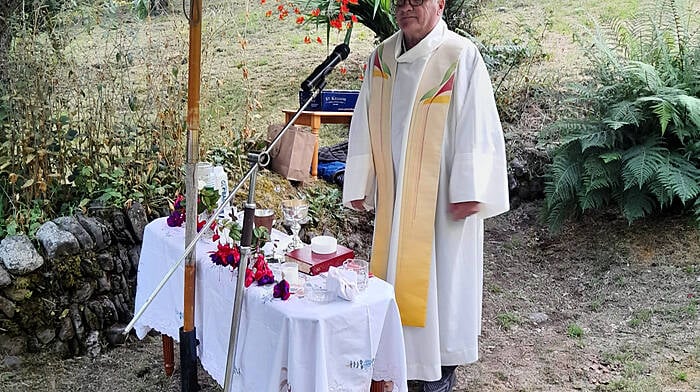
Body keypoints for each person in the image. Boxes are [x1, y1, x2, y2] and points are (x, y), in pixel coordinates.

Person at [341, 0, 510, 390]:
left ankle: (437, 379)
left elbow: (478, 125)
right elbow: (364, 120)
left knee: (440, 298)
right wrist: (362, 180)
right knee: (392, 290)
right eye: (398, 0)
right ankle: (392, 371)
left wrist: (470, 187)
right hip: (394, 202)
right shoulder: (380, 59)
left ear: (440, 3)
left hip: (441, 208)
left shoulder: (460, 56)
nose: (404, 7)